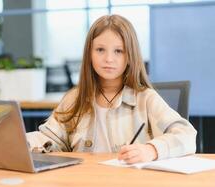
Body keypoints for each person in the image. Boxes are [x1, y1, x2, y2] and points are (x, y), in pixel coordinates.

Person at [26, 14, 197, 164]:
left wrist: (151, 150)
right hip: (84, 186)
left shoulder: (146, 99)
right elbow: (49, 138)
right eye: (100, 50)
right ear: (89, 54)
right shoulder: (75, 99)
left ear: (130, 56)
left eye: (119, 51)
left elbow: (187, 136)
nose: (108, 59)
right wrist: (20, 141)